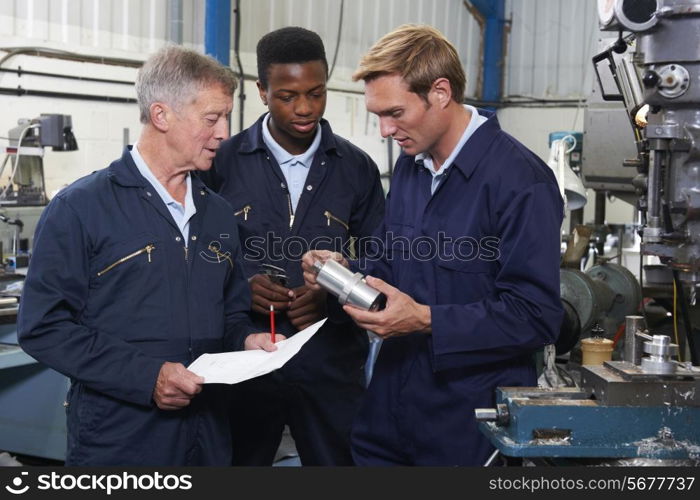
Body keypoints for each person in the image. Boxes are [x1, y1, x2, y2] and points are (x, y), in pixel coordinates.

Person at [302, 24, 564, 466]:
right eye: (377, 116)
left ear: (440, 92)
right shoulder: (411, 166)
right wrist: (343, 271)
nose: (385, 130)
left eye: (395, 113)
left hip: (466, 427)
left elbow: (535, 316)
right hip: (387, 416)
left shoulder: (521, 182)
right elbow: (390, 261)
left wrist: (426, 321)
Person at [17, 45, 280, 466]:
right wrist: (147, 377)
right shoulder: (81, 208)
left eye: (226, 117)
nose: (224, 133)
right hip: (120, 440)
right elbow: (44, 326)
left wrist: (247, 340)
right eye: (212, 118)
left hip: (209, 434)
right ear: (162, 115)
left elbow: (230, 314)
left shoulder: (218, 214)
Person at [200, 27, 385, 465]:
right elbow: (196, 253)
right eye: (287, 96)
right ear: (262, 91)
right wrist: (242, 285)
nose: (304, 109)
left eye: (316, 93)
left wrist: (333, 297)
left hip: (330, 364)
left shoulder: (356, 169)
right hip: (245, 361)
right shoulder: (220, 163)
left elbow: (381, 259)